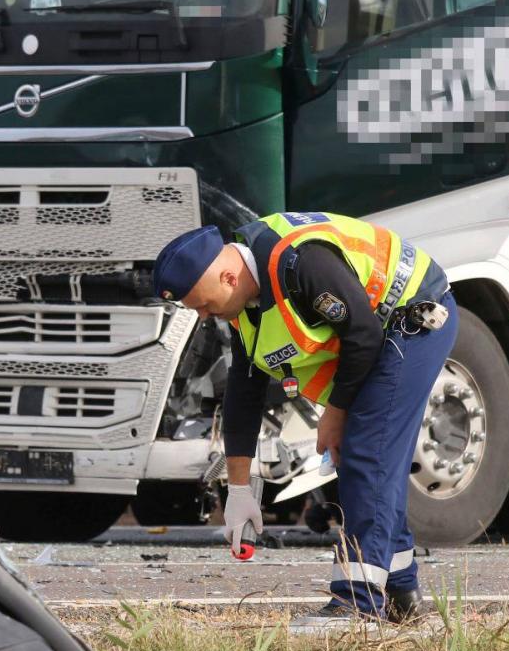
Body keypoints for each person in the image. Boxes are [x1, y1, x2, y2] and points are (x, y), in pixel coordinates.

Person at [153, 212, 458, 629]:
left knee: (368, 452)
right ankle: (400, 592)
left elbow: (363, 333)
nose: (204, 316)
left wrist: (335, 413)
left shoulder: (298, 263)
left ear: (226, 276)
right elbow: (244, 395)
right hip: (374, 333)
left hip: (414, 317)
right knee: (368, 458)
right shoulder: (245, 307)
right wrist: (240, 490)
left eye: (203, 305)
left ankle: (356, 604)